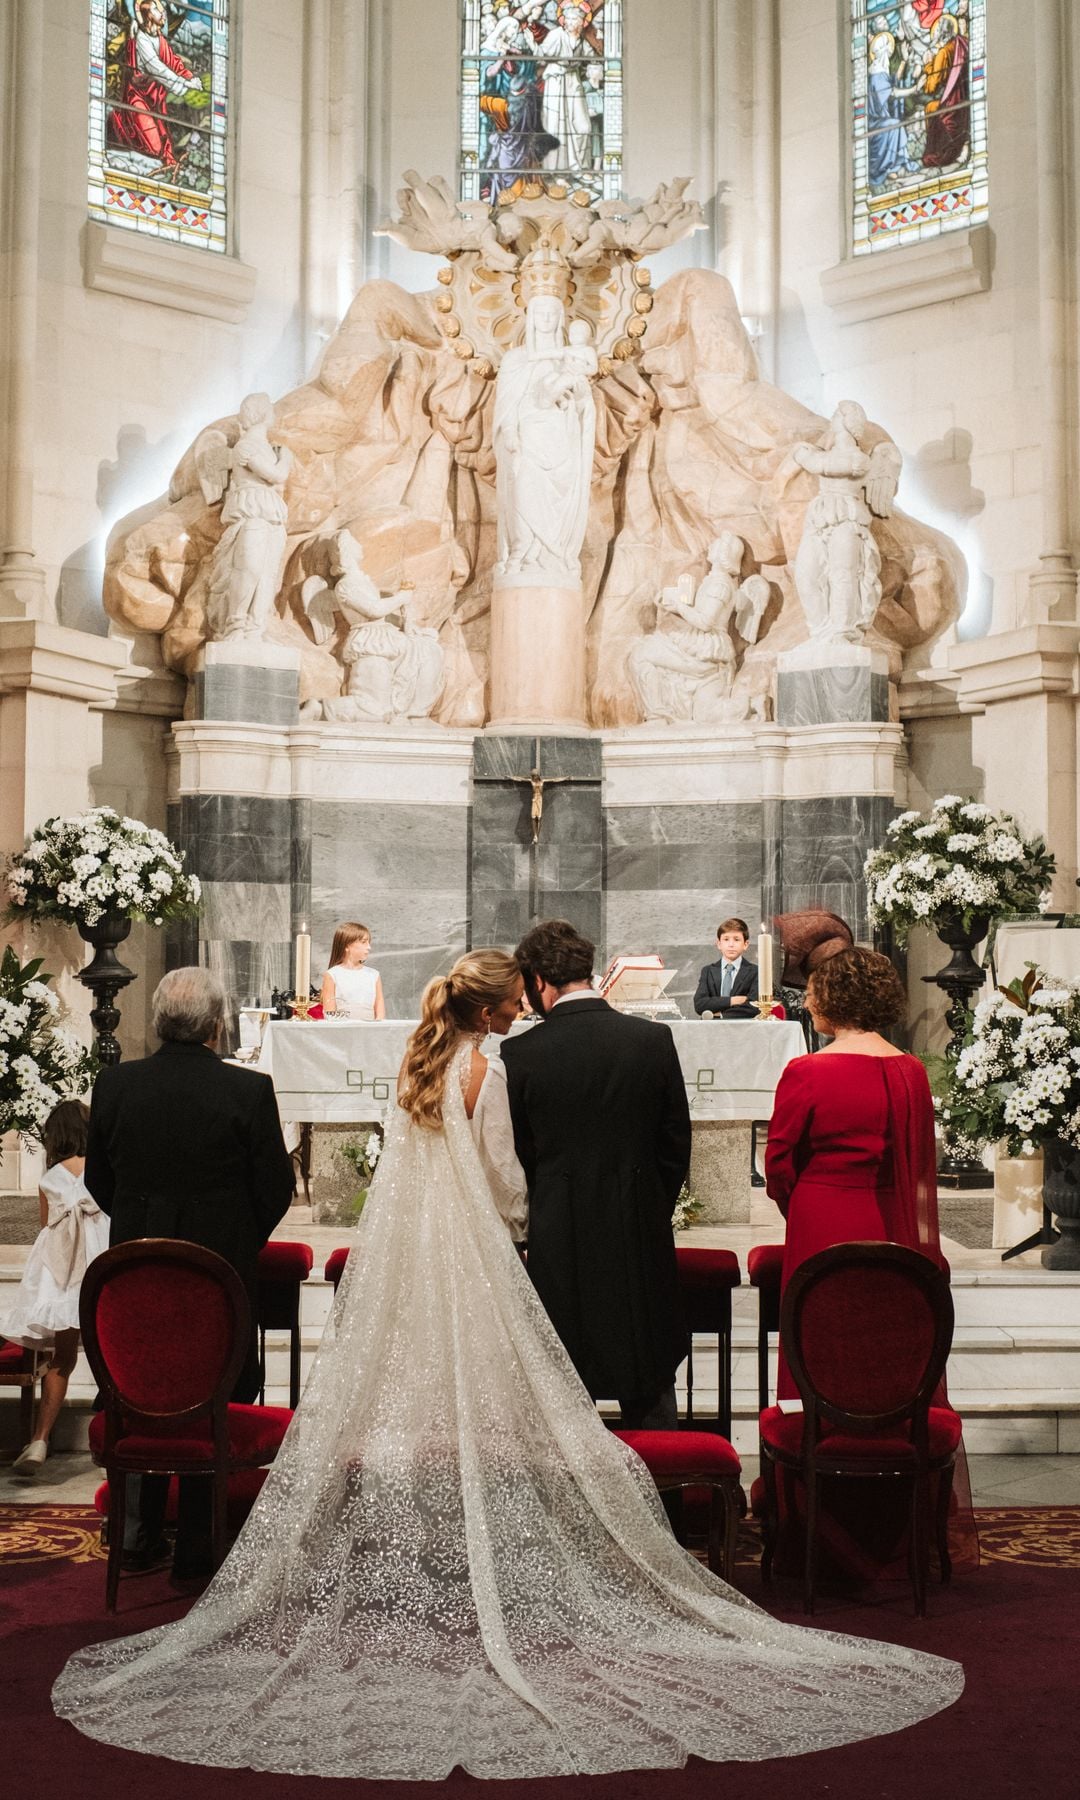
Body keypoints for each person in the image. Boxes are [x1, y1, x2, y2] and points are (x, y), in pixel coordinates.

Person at [53, 948, 962, 1779]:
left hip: (393, 1258)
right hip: (474, 1252)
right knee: (503, 1399)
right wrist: (523, 1229)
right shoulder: (489, 1065)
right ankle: (494, 1542)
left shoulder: (420, 1064)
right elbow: (500, 1173)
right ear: (499, 1008)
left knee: (389, 1394)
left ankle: (201, 1545)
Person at [765, 946, 975, 1572]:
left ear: (831, 1000)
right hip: (893, 1226)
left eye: (813, 991)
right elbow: (917, 1165)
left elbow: (780, 1166)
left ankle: (815, 1512)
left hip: (823, 1219)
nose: (806, 999)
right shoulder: (910, 1069)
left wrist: (805, 1203)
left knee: (818, 1353)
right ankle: (893, 1511)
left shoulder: (808, 1072)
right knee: (888, 1353)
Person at [84, 967, 294, 1580]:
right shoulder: (247, 1091)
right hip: (219, 1270)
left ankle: (137, 1536)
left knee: (140, 1388)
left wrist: (142, 1225)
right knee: (217, 1391)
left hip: (138, 1271)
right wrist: (234, 1238)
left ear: (157, 1021)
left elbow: (100, 1178)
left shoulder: (116, 1085)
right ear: (216, 1023)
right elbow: (274, 1189)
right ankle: (200, 1547)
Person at [502, 918, 691, 1427]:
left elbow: (517, 1155)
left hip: (556, 1232)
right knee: (647, 1374)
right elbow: (675, 1144)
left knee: (560, 1384)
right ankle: (666, 1495)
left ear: (538, 980)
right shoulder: (651, 1040)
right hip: (636, 1229)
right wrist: (647, 1204)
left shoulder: (519, 1053)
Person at [2, 1101, 107, 1477]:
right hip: (99, 1262)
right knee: (110, 1355)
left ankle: (40, 1438)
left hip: (60, 1270)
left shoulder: (50, 1178)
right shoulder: (102, 1171)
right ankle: (117, 1436)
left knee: (62, 1358)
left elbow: (47, 1223)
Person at [693, 916, 760, 1020]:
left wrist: (720, 1015)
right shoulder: (708, 971)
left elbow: (754, 1006)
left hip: (742, 1029)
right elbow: (700, 1004)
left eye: (736, 939)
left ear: (745, 944)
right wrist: (733, 1000)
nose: (731, 944)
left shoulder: (755, 971)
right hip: (709, 1029)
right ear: (719, 944)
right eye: (726, 939)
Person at [319, 921, 386, 1020]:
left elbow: (379, 1008)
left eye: (369, 942)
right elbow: (330, 1013)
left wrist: (377, 1028)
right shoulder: (333, 975)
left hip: (370, 1032)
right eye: (364, 942)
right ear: (347, 946)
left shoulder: (373, 975)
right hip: (343, 1031)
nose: (369, 947)